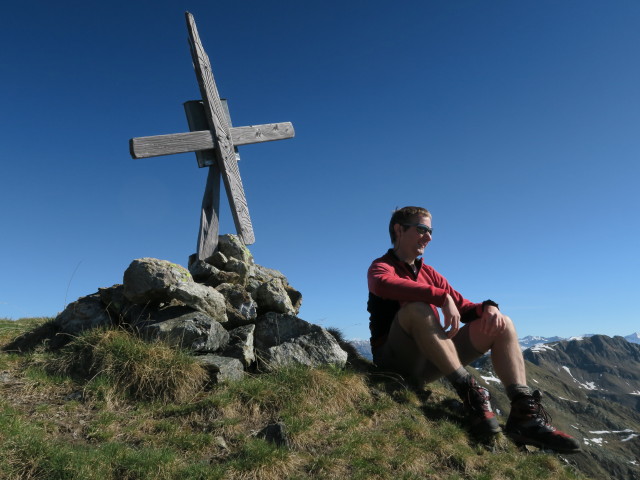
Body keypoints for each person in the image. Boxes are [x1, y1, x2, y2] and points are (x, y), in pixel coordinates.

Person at [367, 206, 580, 453]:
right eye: (422, 229)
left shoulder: (429, 273)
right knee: (417, 308)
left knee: (501, 323)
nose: (429, 237)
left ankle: (524, 416)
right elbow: (382, 284)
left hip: (429, 361)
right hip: (394, 363)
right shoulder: (382, 266)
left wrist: (489, 308)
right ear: (398, 230)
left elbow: (464, 307)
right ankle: (471, 394)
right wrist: (439, 297)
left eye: (431, 231)